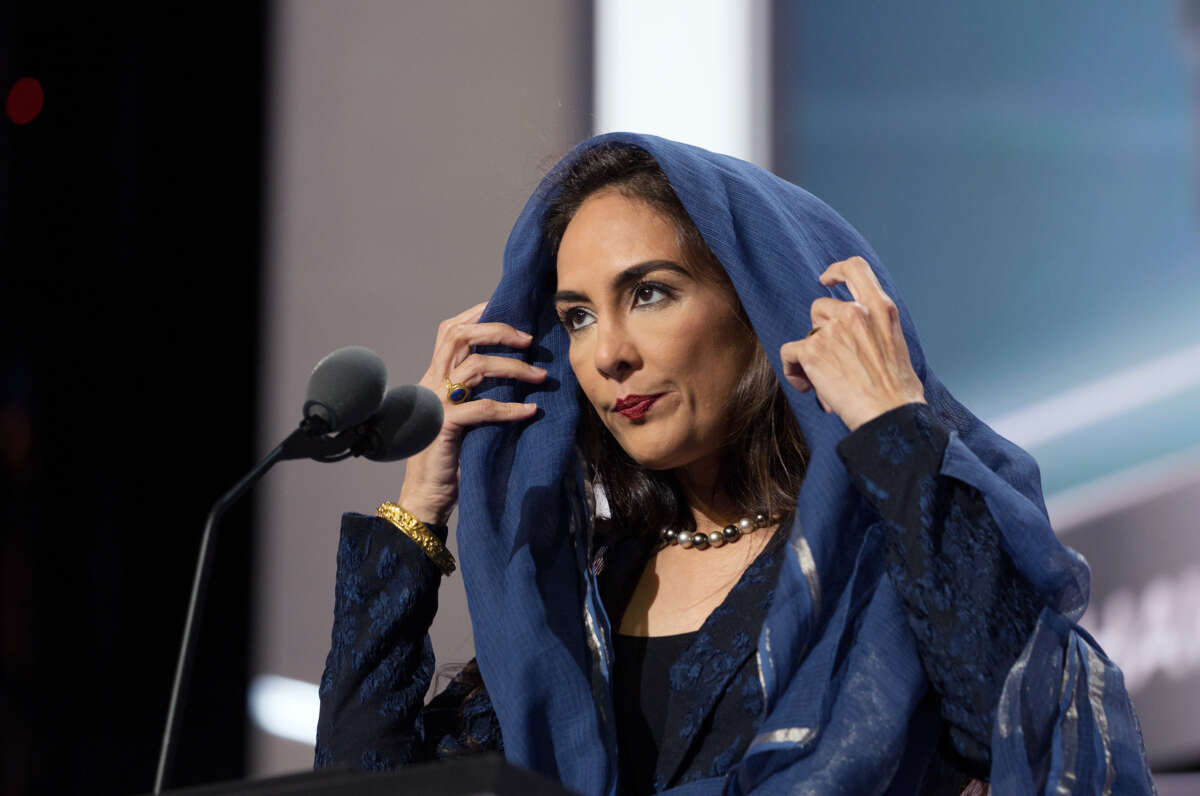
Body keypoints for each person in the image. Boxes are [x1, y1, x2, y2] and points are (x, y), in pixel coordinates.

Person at [314, 133, 1154, 794]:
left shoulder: (895, 563)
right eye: (575, 317)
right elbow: (357, 791)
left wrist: (893, 425)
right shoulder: (580, 606)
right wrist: (417, 506)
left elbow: (1029, 729)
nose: (607, 354)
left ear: (758, 305)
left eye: (649, 293)